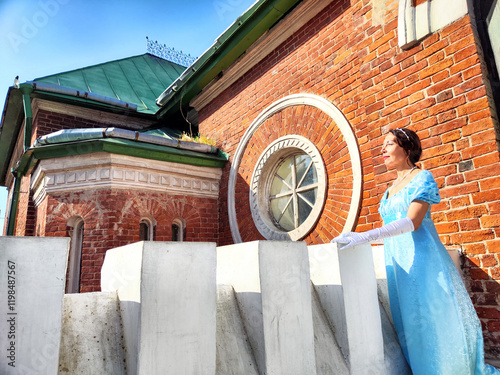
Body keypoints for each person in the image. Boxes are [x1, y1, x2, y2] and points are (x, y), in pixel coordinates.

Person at [331, 128, 499, 375]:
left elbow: (412, 222)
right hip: (398, 267)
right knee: (411, 327)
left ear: (407, 148)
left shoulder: (422, 178)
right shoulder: (388, 191)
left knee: (435, 323)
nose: (383, 150)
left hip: (424, 262)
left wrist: (365, 236)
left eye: (389, 144)